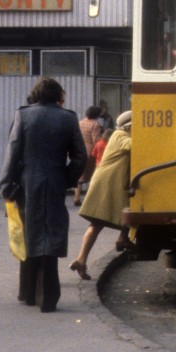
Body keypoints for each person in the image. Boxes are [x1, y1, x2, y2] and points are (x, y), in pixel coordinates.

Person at [0, 77, 87, 313]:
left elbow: (13, 150)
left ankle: (27, 292)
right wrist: (66, 178)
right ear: (58, 95)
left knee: (30, 231)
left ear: (36, 94)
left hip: (27, 183)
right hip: (55, 181)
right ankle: (47, 296)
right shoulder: (68, 117)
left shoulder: (24, 115)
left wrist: (6, 185)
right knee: (50, 233)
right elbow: (80, 157)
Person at [69, 111, 133, 280]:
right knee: (103, 220)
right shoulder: (121, 135)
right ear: (130, 126)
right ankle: (121, 239)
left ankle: (81, 260)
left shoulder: (118, 134)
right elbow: (136, 146)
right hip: (107, 183)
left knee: (99, 222)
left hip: (111, 182)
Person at [73, 105, 103, 207]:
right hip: (91, 152)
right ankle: (88, 199)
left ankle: (76, 197)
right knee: (92, 175)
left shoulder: (80, 122)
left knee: (80, 175)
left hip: (79, 150)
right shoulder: (95, 125)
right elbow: (96, 140)